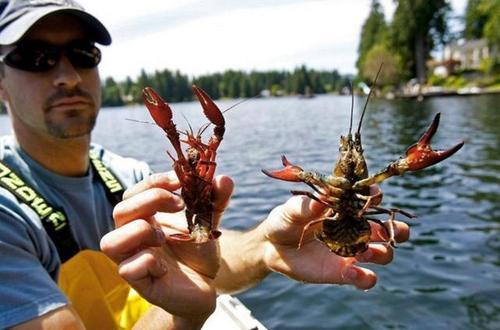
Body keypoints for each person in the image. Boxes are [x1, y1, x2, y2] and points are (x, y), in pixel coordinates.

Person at [0, 0, 410, 329]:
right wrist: (182, 318)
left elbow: (205, 249)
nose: (67, 75)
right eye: (35, 58)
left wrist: (269, 245)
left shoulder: (125, 176)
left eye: (82, 53)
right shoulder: (5, 212)